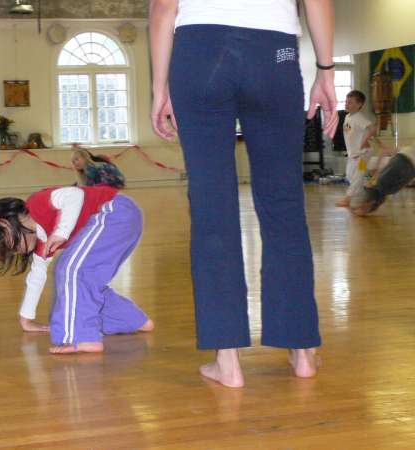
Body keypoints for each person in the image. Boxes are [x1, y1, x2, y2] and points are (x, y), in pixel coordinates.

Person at [150, 0, 338, 387]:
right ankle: (302, 349)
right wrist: (325, 70)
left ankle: (227, 361)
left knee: (211, 208)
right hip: (275, 53)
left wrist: (159, 87)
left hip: (200, 51)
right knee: (284, 205)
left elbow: (163, 6)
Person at [0, 185, 154, 353]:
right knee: (79, 281)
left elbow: (75, 194)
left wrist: (61, 232)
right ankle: (131, 320)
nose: (14, 252)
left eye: (9, 246)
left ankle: (82, 338)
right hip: (120, 221)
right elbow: (36, 278)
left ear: (5, 224)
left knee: (72, 270)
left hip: (114, 212)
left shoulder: (37, 203)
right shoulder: (42, 244)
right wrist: (26, 319)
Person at [336, 90, 378, 207]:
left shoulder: (359, 117)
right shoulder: (347, 117)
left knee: (357, 176)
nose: (346, 104)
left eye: (350, 102)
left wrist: (364, 141)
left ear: (359, 104)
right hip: (353, 154)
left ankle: (348, 198)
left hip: (363, 154)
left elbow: (373, 129)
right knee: (350, 175)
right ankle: (368, 194)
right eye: (346, 102)